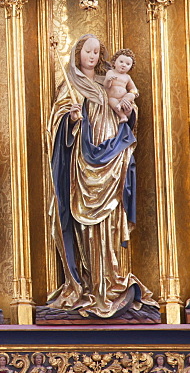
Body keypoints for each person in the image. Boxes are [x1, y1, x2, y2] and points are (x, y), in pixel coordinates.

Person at [46, 35, 157, 318]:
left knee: (110, 220)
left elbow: (127, 112)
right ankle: (88, 284)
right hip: (83, 165)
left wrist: (129, 111)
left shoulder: (107, 80)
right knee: (84, 223)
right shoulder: (70, 85)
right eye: (88, 51)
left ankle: (111, 282)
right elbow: (55, 124)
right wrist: (70, 118)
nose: (93, 56)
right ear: (78, 53)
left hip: (113, 157)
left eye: (97, 51)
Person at [104, 48, 139, 124]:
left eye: (127, 64)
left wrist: (133, 93)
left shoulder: (127, 77)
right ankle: (122, 116)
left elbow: (133, 88)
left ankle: (121, 105)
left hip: (123, 99)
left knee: (131, 95)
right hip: (113, 98)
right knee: (111, 101)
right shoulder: (111, 72)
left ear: (131, 67)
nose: (123, 65)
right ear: (114, 62)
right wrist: (109, 80)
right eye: (121, 62)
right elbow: (106, 86)